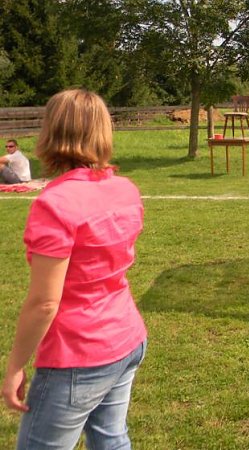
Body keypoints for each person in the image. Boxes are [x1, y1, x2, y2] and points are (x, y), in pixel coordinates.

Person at [2, 89, 148, 449]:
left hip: (79, 354)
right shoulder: (126, 190)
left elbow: (44, 303)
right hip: (126, 337)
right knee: (111, 439)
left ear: (51, 132)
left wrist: (15, 366)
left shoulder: (55, 204)